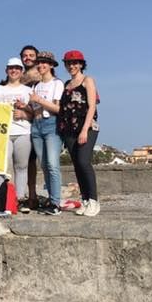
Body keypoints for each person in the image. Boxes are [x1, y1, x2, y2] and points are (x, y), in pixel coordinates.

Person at [57, 50, 100, 217]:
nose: (72, 66)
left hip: (87, 128)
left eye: (75, 63)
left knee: (84, 162)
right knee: (77, 166)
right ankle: (85, 200)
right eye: (69, 63)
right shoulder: (67, 84)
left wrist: (84, 130)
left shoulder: (87, 80)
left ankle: (94, 201)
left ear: (81, 64)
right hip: (69, 131)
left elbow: (92, 106)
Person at [0, 58, 33, 204]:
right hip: (3, 133)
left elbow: (34, 114)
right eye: (10, 68)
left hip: (23, 132)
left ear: (21, 72)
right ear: (6, 70)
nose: (13, 71)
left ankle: (19, 199)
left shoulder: (28, 91)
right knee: (1, 167)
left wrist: (24, 114)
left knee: (21, 167)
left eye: (17, 68)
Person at [27, 51, 64, 215]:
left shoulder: (57, 84)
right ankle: (51, 199)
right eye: (39, 63)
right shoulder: (36, 85)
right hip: (36, 125)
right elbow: (33, 108)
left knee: (53, 164)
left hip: (51, 125)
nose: (41, 65)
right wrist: (24, 106)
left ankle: (56, 202)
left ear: (51, 65)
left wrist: (39, 100)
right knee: (44, 165)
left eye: (44, 63)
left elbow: (58, 108)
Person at [20, 45, 41, 207]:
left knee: (37, 162)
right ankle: (26, 195)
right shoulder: (18, 77)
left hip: (40, 122)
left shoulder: (41, 75)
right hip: (23, 125)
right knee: (25, 162)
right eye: (25, 55)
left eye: (31, 55)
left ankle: (33, 195)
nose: (28, 58)